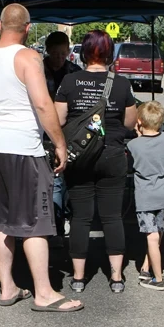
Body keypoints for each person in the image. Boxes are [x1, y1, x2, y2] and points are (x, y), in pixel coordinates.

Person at [0, 3, 81, 312]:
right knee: (35, 222)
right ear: (27, 28)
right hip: (23, 148)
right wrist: (60, 144)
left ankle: (8, 286)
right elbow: (42, 104)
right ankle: (44, 293)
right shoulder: (28, 57)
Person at [55, 30, 137, 294]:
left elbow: (57, 121)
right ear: (110, 54)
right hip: (112, 155)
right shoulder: (122, 84)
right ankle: (116, 278)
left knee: (80, 218)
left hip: (80, 157)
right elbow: (129, 124)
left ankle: (78, 278)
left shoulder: (69, 81)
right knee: (112, 217)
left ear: (83, 52)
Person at [127, 101, 164, 291]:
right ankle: (146, 266)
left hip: (146, 196)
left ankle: (158, 278)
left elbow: (133, 160)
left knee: (151, 236)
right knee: (158, 231)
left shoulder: (133, 145)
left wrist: (138, 135)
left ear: (139, 121)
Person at [42, 30, 82, 240]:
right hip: (46, 134)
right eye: (55, 53)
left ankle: (68, 220)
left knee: (69, 181)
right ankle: (56, 228)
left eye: (63, 53)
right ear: (48, 51)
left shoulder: (74, 71)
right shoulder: (37, 70)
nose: (59, 58)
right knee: (56, 181)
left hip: (71, 133)